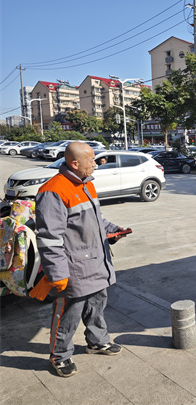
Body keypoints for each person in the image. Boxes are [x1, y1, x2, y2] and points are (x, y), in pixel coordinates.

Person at [30, 142, 129, 378]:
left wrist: (113, 230)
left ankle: (97, 342)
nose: (96, 164)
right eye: (92, 160)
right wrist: (57, 274)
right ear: (75, 163)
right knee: (68, 315)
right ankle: (60, 356)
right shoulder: (53, 191)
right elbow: (50, 239)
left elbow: (96, 221)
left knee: (97, 306)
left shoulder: (87, 185)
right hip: (73, 268)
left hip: (96, 263)